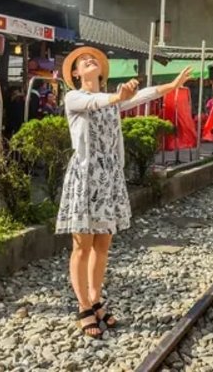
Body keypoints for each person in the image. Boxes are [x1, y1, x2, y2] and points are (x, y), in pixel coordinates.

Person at [56, 46, 192, 339]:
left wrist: (172, 85)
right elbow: (104, 101)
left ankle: (96, 300)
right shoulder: (74, 97)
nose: (89, 60)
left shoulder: (112, 101)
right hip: (85, 175)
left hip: (109, 177)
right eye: (82, 62)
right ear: (76, 74)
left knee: (102, 244)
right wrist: (120, 95)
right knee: (82, 244)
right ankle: (83, 307)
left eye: (93, 59)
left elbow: (143, 95)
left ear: (102, 72)